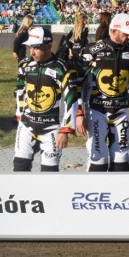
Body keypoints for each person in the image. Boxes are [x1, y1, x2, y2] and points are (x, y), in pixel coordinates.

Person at [76, 13, 129, 172]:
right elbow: (77, 83)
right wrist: (79, 112)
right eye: (126, 33)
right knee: (98, 159)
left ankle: (120, 196)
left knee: (122, 160)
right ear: (114, 30)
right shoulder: (91, 50)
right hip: (96, 111)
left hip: (121, 111)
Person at [13, 27, 78, 171]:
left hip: (52, 128)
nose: (32, 52)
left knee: (49, 173)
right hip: (27, 125)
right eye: (31, 47)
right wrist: (19, 114)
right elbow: (19, 90)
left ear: (49, 46)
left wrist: (65, 130)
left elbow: (71, 100)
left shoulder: (62, 68)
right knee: (19, 167)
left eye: (37, 48)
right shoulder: (25, 65)